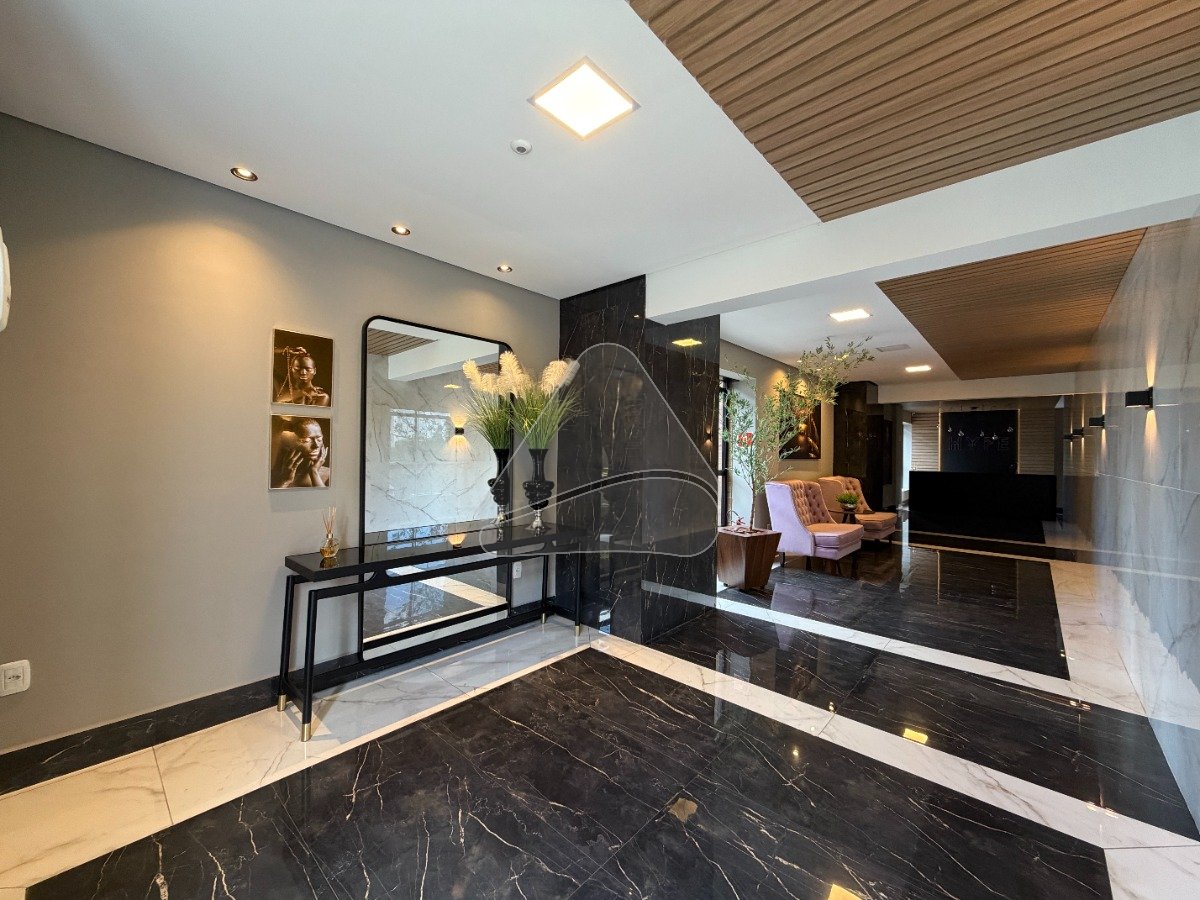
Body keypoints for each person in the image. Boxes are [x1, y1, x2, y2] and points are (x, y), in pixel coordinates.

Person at [272, 419, 331, 488]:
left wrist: (314, 472)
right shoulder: (275, 474)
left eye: (319, 439)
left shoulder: (329, 474)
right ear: (290, 444)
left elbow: (327, 495)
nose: (316, 446)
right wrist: (285, 481)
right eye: (306, 441)